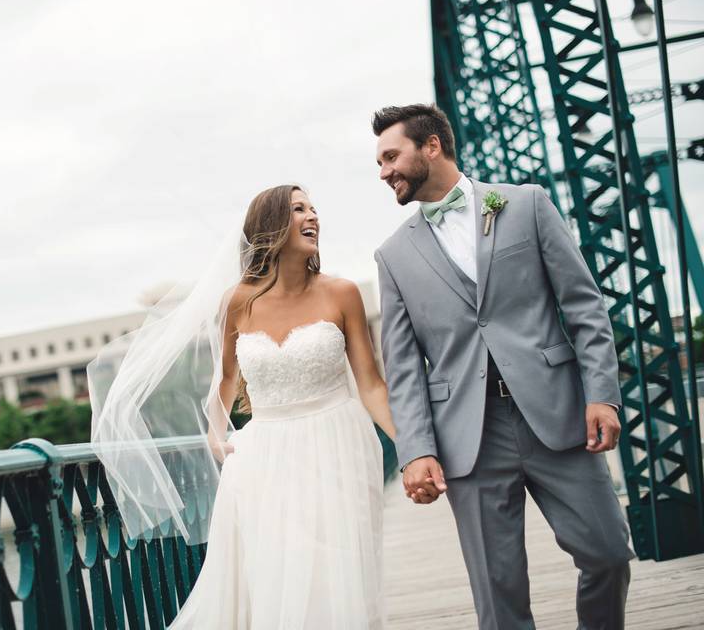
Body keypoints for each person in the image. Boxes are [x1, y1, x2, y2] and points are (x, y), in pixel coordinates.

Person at [372, 103, 633, 629]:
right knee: (498, 592)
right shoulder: (392, 256)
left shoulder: (526, 205)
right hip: (468, 439)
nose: (383, 172)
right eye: (379, 163)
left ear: (432, 146)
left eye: (391, 156)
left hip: (558, 414)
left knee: (608, 554)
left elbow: (583, 305)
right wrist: (416, 450)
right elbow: (402, 367)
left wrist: (601, 393)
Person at [91, 184, 396, 629]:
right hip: (263, 457)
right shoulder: (237, 301)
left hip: (337, 443)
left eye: (313, 209)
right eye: (298, 210)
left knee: (337, 571)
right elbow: (226, 380)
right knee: (277, 573)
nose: (312, 217)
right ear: (271, 226)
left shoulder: (342, 293)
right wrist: (216, 432)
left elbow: (370, 384)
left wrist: (413, 450)